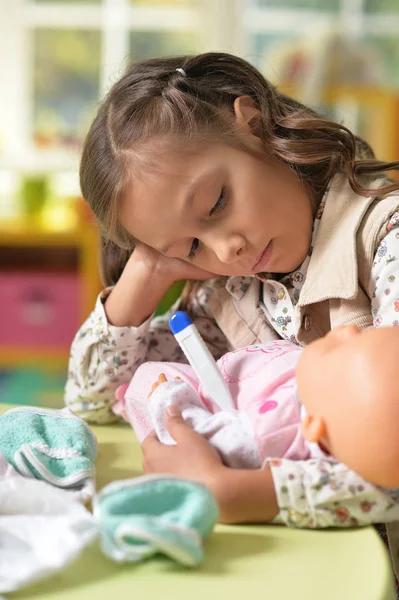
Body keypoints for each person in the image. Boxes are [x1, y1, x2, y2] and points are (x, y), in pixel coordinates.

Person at [65, 51, 399, 537]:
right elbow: (91, 400)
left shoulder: (386, 239)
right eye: (193, 246)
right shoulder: (230, 291)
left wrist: (240, 494)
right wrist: (150, 265)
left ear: (255, 125)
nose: (229, 250)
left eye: (217, 202)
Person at [114, 325, 399, 526]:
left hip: (200, 407)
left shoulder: (274, 430)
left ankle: (134, 406)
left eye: (338, 352)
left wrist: (171, 400)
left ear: (312, 426)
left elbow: (198, 438)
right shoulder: (333, 393)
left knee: (148, 380)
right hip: (226, 382)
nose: (348, 329)